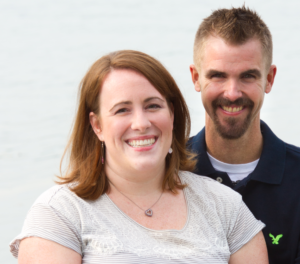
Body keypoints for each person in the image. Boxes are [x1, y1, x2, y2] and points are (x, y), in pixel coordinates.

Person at [10, 50, 267, 264]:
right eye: (122, 110)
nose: (141, 123)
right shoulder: (60, 213)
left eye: (153, 106)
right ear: (97, 125)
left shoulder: (226, 208)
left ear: (172, 114)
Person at [188, 5, 300, 264]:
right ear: (195, 77)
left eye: (248, 76)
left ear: (269, 79)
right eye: (218, 76)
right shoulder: (166, 172)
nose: (232, 93)